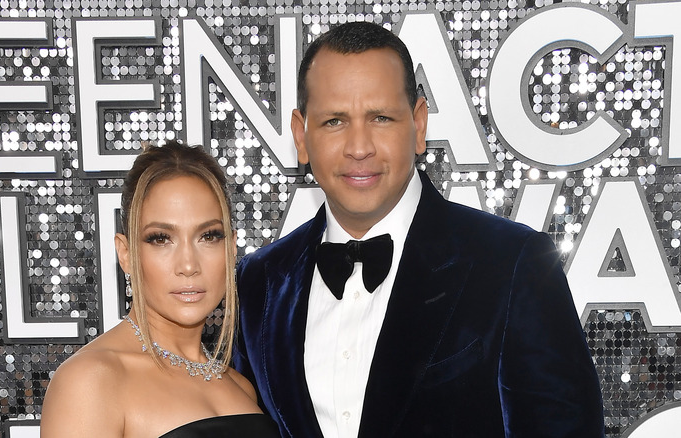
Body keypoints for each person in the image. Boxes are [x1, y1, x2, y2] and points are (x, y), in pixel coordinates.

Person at [233, 21, 604, 437]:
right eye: (335, 121)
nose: (359, 147)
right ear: (301, 136)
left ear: (419, 124)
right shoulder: (258, 283)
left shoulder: (513, 264)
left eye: (381, 117)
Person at [41, 141, 280, 437]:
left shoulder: (241, 387)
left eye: (208, 236)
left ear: (231, 247)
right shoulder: (92, 381)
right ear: (125, 254)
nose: (189, 264)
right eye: (161, 238)